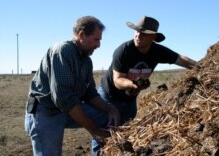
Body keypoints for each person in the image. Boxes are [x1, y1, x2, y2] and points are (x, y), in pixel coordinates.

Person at [93, 16, 197, 153]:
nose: (138, 35)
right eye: (136, 31)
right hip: (108, 96)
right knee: (103, 132)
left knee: (125, 133)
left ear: (153, 37)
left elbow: (180, 59)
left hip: (129, 98)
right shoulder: (124, 50)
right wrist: (134, 85)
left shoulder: (157, 51)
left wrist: (201, 66)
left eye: (143, 33)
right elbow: (118, 80)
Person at [24, 16, 120, 156]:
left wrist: (109, 108)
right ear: (81, 35)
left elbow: (89, 94)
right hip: (46, 111)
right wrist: (94, 130)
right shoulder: (63, 51)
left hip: (67, 109)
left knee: (106, 117)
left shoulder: (86, 61)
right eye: (96, 39)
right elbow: (64, 98)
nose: (99, 45)